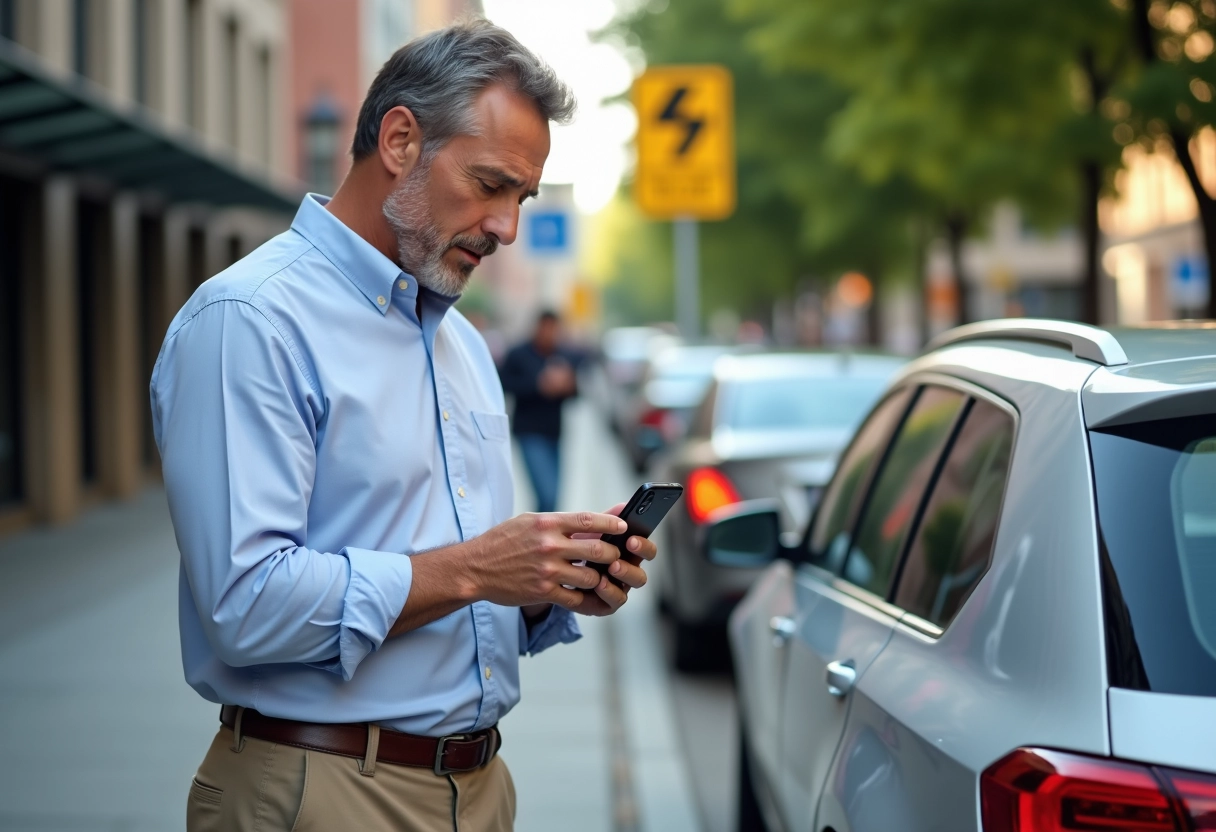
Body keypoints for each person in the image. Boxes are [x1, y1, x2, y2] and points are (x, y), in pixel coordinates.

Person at [151, 20, 657, 832]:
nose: (507, 227)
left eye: (522, 199)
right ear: (399, 141)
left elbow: (453, 575)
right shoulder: (250, 321)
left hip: (480, 789)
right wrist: (477, 570)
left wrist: (544, 583)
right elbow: (246, 605)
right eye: (490, 184)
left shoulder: (462, 343)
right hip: (320, 791)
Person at [499, 311, 579, 512]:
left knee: (554, 497)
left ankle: (543, 530)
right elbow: (503, 384)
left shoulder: (562, 356)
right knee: (547, 494)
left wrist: (566, 385)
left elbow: (576, 394)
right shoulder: (519, 354)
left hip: (554, 433)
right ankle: (539, 529)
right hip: (529, 432)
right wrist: (539, 385)